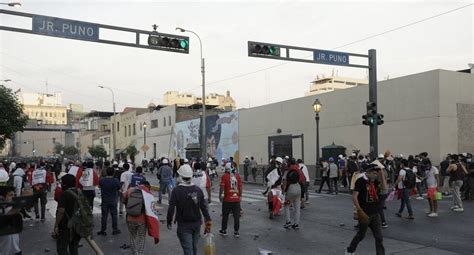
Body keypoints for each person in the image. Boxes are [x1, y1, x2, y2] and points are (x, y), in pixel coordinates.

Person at [167, 165, 212, 255]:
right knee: (193, 249)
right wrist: (208, 222)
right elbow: (204, 208)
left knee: (189, 251)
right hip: (197, 225)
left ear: (180, 177)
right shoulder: (198, 190)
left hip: (184, 225)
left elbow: (171, 208)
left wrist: (169, 221)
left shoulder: (176, 191)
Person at [345, 162, 387, 255]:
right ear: (368, 172)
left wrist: (382, 174)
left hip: (375, 213)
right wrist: (359, 210)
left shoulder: (374, 181)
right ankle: (350, 250)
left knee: (379, 237)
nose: (376, 175)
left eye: (376, 173)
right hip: (365, 212)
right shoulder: (360, 180)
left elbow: (384, 188)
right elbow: (354, 196)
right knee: (361, 235)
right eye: (374, 173)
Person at [124, 181, 160, 255]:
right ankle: (140, 253)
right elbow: (152, 209)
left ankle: (135, 253)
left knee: (132, 237)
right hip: (142, 221)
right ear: (148, 187)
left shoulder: (130, 190)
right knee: (141, 238)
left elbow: (123, 199)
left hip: (130, 219)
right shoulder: (148, 194)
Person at [54, 174, 82, 255]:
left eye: (62, 183)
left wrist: (56, 225)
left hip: (66, 226)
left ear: (65, 184)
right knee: (73, 247)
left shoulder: (65, 194)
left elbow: (61, 211)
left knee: (62, 248)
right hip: (78, 225)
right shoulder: (79, 192)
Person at [219, 162, 242, 237]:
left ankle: (224, 230)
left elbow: (222, 187)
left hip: (227, 199)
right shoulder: (237, 176)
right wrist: (240, 195)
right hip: (236, 199)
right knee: (236, 216)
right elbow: (240, 187)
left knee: (225, 215)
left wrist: (221, 195)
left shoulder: (224, 176)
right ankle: (236, 231)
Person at [97, 167, 121, 236]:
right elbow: (119, 188)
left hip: (105, 200)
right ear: (113, 173)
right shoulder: (116, 180)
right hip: (113, 200)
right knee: (114, 215)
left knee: (104, 216)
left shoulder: (102, 180)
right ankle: (115, 229)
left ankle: (103, 230)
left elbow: (99, 186)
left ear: (106, 172)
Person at [0, 185, 22, 255]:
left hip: (16, 251)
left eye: (14, 195)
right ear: (2, 197)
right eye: (10, 195)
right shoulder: (4, 211)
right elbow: (6, 217)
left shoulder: (11, 208)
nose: (13, 197)